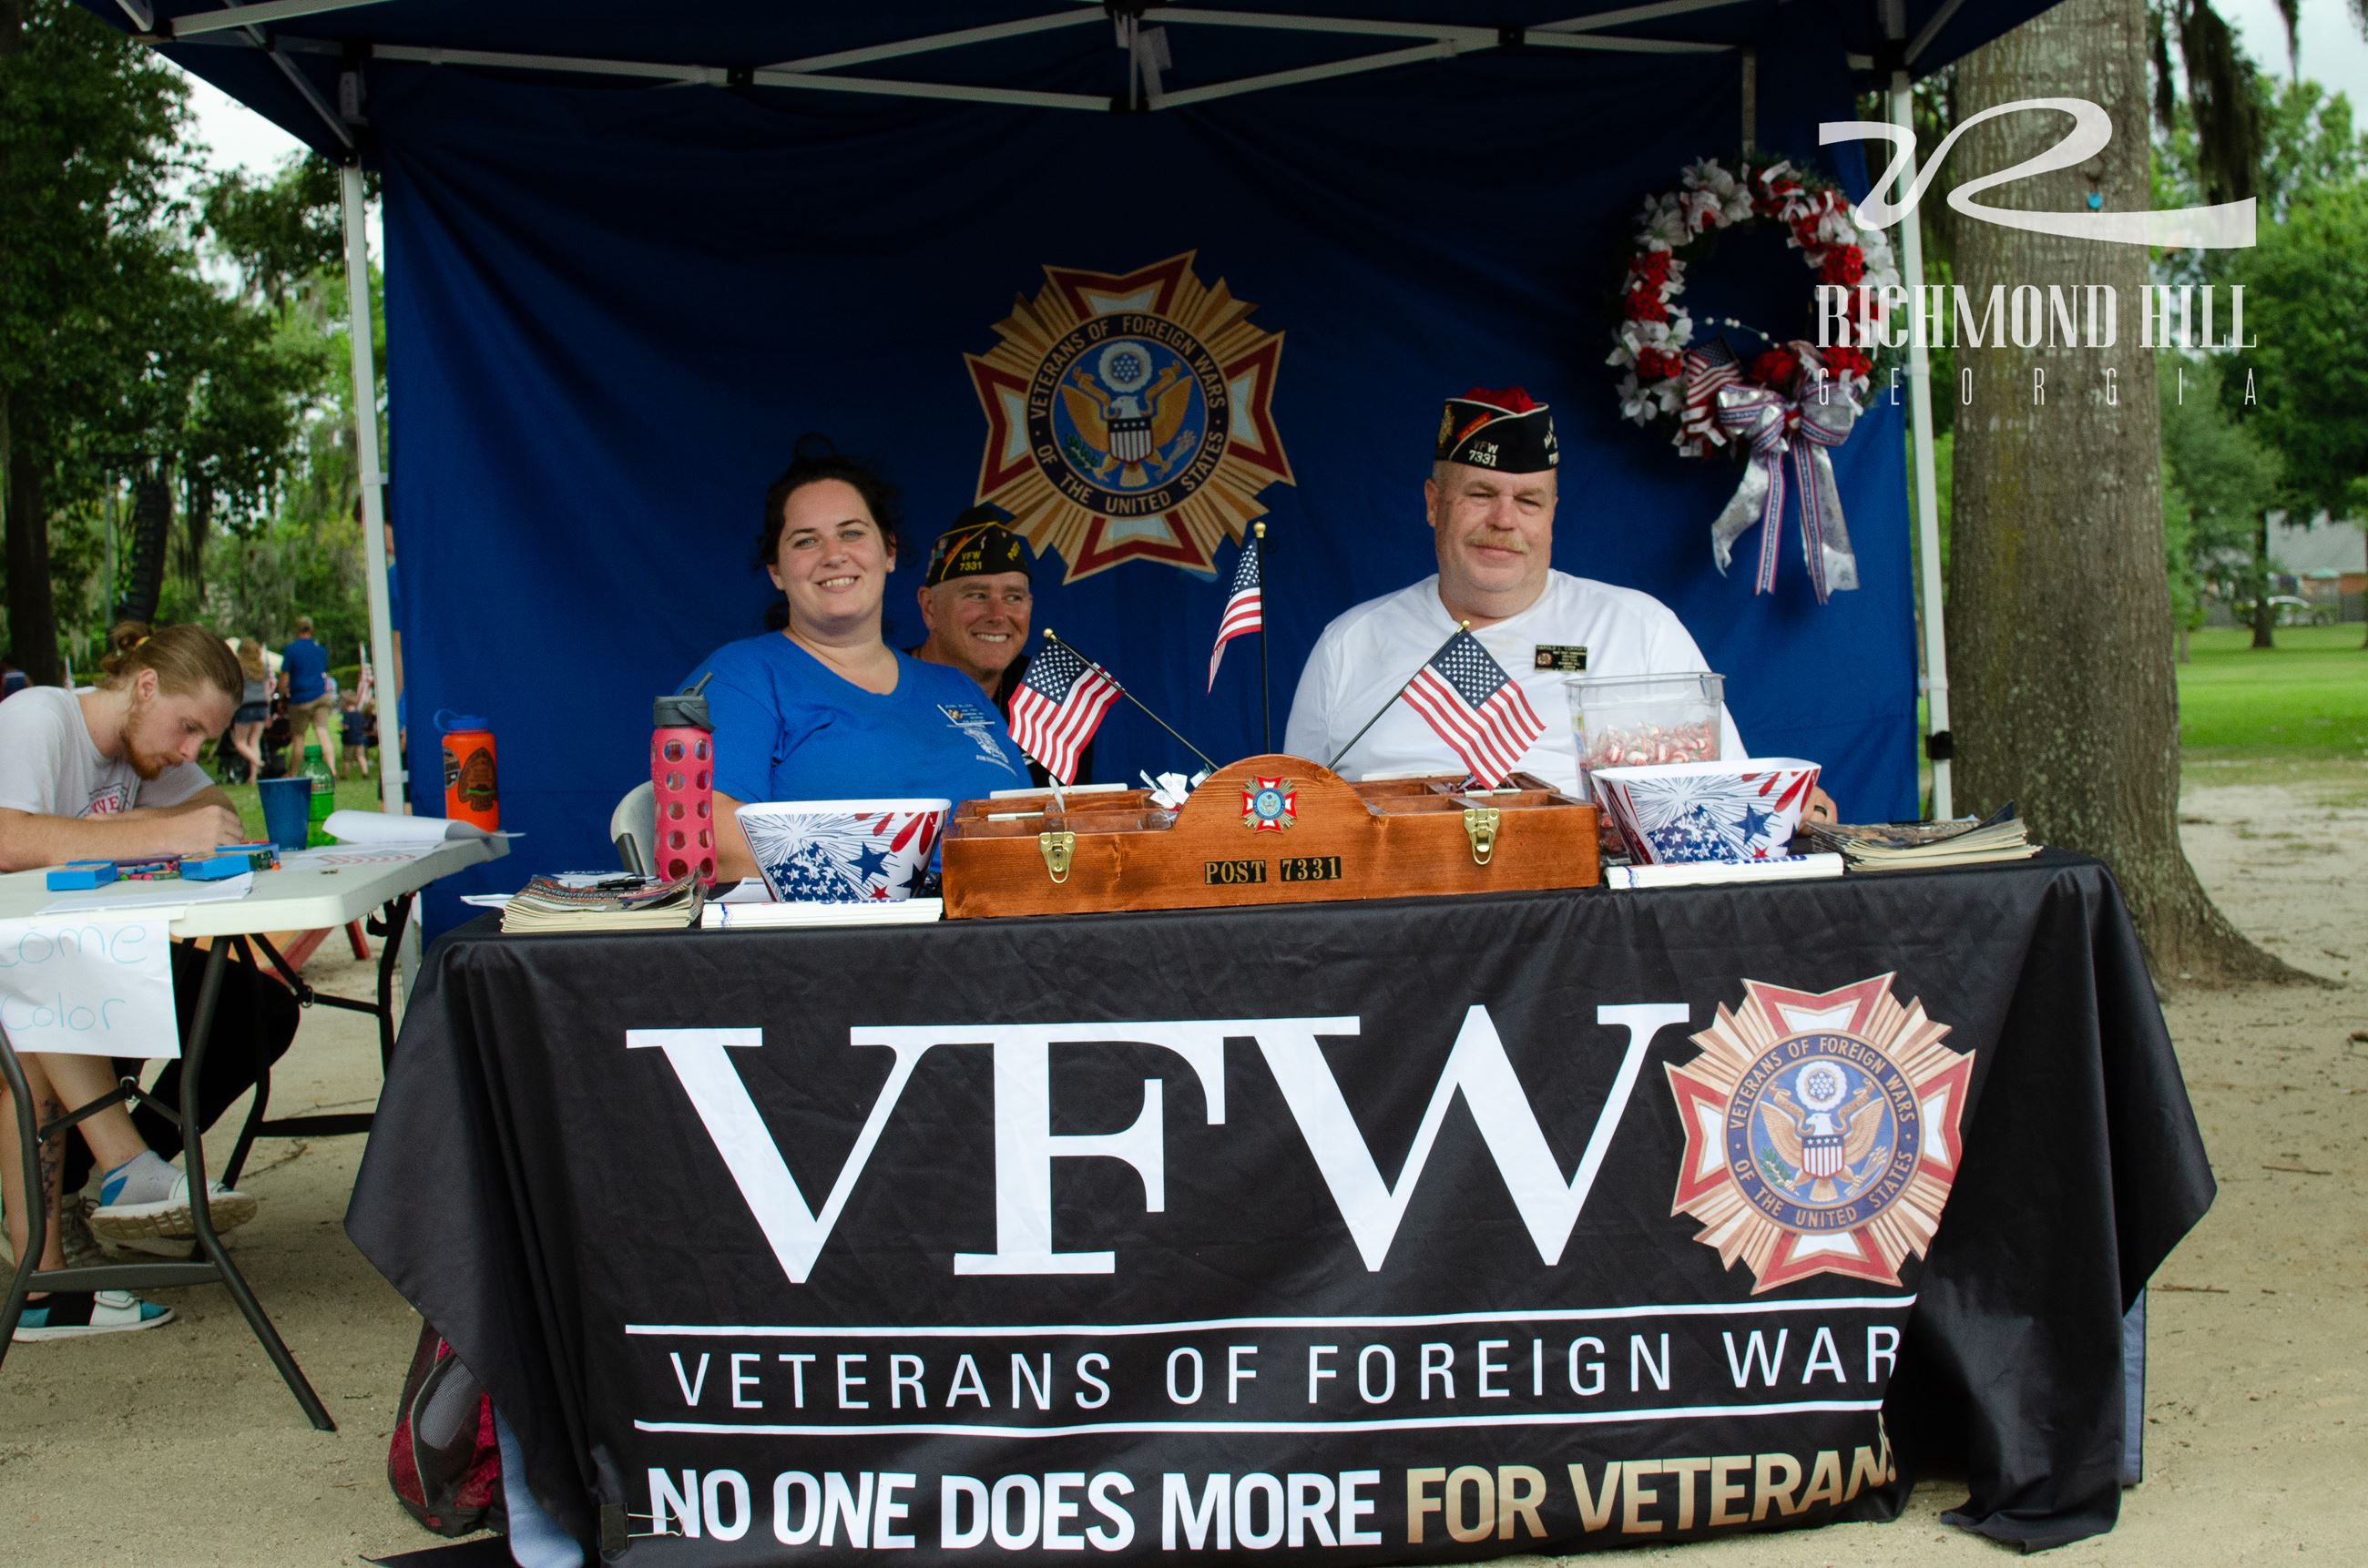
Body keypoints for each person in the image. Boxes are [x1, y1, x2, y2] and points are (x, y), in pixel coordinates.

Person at [1286, 386, 1801, 800]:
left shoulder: (1640, 631)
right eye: (1480, 494)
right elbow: (1294, 828)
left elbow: (1723, 803)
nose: (1504, 520)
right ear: (1433, 504)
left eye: (1528, 501)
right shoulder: (1349, 645)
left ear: (1552, 513)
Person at [0, 622, 296, 1338]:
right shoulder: (39, 718)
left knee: (253, 1005)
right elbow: (9, 839)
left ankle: (126, 1179)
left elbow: (217, 813)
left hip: (67, 963)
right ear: (144, 686)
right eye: (187, 728)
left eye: (205, 739)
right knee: (43, 996)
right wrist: (154, 832)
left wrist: (145, 820)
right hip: (29, 971)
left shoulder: (145, 755)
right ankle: (62, 1255)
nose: (190, 752)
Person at [682, 443, 1029, 884]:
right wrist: (895, 875)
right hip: (847, 927)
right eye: (806, 540)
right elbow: (704, 838)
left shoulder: (956, 688)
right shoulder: (743, 675)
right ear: (776, 571)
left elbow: (1027, 825)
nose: (833, 554)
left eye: (851, 533)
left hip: (1003, 917)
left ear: (889, 551)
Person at [907, 504, 1084, 788]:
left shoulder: (1051, 694)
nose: (998, 615)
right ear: (929, 607)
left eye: (1013, 597)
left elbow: (1077, 810)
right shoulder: (882, 686)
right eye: (977, 595)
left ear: (1029, 605)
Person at [279, 616, 338, 779]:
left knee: (299, 737)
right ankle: (331, 769)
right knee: (322, 731)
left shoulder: (291, 650)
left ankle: (294, 773)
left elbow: (285, 677)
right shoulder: (320, 650)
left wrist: (282, 696)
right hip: (321, 696)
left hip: (300, 699)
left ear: (297, 629)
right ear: (311, 629)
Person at [228, 638, 271, 784]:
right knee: (255, 741)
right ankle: (253, 776)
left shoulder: (238, 667)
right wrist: (268, 712)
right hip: (261, 705)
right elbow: (267, 691)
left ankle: (258, 762)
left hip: (245, 705)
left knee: (240, 742)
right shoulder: (262, 666)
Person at [340, 687, 373, 779]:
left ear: (346, 703)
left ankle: (344, 775)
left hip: (349, 739)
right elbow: (362, 725)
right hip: (359, 738)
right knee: (360, 756)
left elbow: (346, 726)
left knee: (347, 759)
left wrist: (341, 724)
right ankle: (365, 772)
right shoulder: (359, 714)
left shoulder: (347, 714)